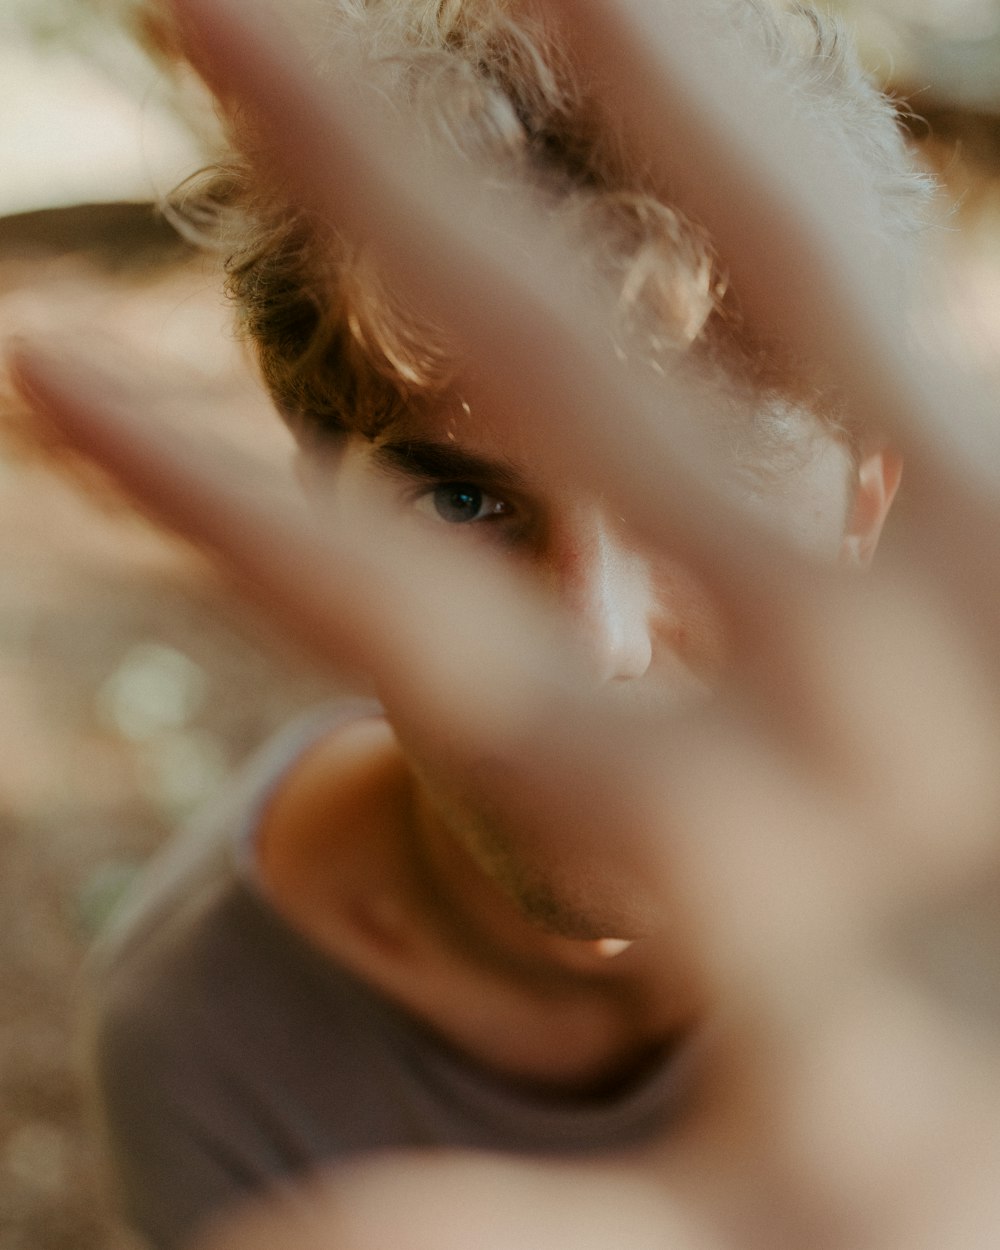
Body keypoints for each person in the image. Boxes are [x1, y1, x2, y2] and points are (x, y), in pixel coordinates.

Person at [17, 0, 993, 1247]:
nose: (595, 638)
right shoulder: (205, 1027)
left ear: (865, 504)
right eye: (463, 499)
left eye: (687, 503)